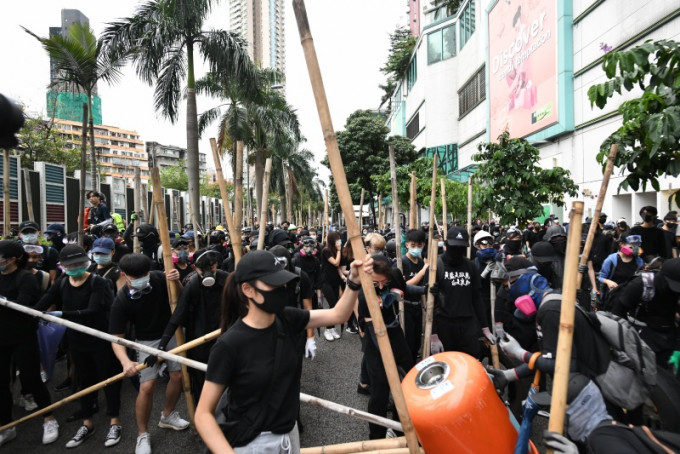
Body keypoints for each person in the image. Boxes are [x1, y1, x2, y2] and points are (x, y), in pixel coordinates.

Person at [194, 250, 371, 453]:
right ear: (247, 290)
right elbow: (203, 414)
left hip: (289, 435)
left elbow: (338, 314)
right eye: (272, 284)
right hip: (252, 443)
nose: (281, 289)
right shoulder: (229, 345)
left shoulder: (287, 318)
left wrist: (354, 281)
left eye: (282, 283)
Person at [34, 244, 123, 448]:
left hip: (100, 338)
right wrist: (29, 313)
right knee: (85, 381)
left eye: (80, 263)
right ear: (63, 266)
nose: (76, 267)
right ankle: (87, 423)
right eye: (71, 265)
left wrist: (61, 315)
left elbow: (91, 310)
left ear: (86, 263)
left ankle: (114, 421)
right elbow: (45, 301)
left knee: (109, 379)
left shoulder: (97, 282)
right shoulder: (62, 284)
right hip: (77, 341)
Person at [108, 253, 190, 454]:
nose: (143, 279)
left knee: (178, 375)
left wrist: (177, 282)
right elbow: (116, 337)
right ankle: (142, 433)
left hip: (171, 332)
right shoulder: (121, 300)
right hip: (145, 341)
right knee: (147, 386)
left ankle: (167, 415)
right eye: (136, 277)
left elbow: (181, 298)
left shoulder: (159, 277)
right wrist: (126, 361)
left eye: (144, 274)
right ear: (125, 275)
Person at [0, 240, 59, 447]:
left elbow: (23, 307)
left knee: (31, 379)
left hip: (22, 336)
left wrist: (4, 301)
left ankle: (49, 419)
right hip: (1, 338)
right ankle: (6, 426)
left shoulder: (25, 278)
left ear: (13, 259)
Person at [155, 249, 227, 402]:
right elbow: (177, 316)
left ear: (216, 264)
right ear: (195, 268)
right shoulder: (193, 284)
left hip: (224, 336)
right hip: (199, 338)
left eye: (211, 267)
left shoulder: (226, 280)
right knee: (201, 382)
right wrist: (161, 347)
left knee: (226, 377)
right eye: (203, 269)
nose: (208, 272)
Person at [357, 255, 413, 439]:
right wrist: (386, 355)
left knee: (407, 380)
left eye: (384, 282)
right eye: (376, 283)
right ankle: (377, 435)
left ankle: (399, 428)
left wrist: (425, 290)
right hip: (374, 338)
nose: (381, 286)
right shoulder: (364, 291)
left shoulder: (395, 274)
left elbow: (404, 290)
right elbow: (371, 328)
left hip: (394, 330)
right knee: (380, 388)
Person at [430, 226, 494, 358]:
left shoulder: (470, 266)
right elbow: (429, 304)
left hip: (467, 325)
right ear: (447, 245)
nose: (458, 250)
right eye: (455, 247)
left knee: (469, 362)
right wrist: (433, 334)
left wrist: (485, 327)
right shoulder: (436, 267)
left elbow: (477, 298)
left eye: (461, 247)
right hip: (444, 325)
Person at [612, 257, 680, 366]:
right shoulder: (640, 285)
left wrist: (678, 348)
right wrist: (622, 340)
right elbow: (618, 312)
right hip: (641, 335)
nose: (673, 291)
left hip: (668, 335)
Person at [399, 229, 429, 363]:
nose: (416, 248)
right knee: (408, 341)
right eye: (413, 245)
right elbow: (404, 285)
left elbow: (424, 288)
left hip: (418, 307)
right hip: (405, 306)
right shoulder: (402, 263)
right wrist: (422, 272)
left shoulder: (421, 262)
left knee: (418, 341)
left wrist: (424, 307)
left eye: (419, 245)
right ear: (406, 245)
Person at [598, 234, 644, 303]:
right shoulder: (611, 260)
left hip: (631, 298)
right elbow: (600, 277)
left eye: (637, 245)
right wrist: (608, 281)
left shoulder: (639, 261)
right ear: (621, 244)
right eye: (631, 246)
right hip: (613, 298)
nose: (635, 248)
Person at [320, 231, 343, 341]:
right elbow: (335, 263)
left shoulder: (335, 250)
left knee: (334, 306)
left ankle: (331, 328)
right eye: (337, 239)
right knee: (332, 304)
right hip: (326, 281)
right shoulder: (326, 250)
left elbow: (337, 268)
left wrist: (342, 276)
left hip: (335, 281)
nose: (339, 241)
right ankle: (327, 330)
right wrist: (339, 250)